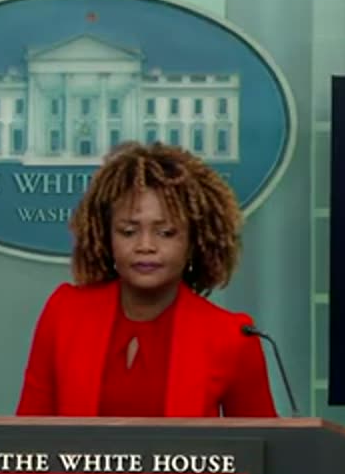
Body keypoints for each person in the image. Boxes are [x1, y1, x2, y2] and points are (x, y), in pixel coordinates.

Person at [16, 142, 277, 418]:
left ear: (193, 242)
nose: (145, 245)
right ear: (107, 238)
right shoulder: (64, 313)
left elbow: (263, 453)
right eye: (128, 232)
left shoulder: (232, 337)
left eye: (165, 233)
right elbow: (24, 442)